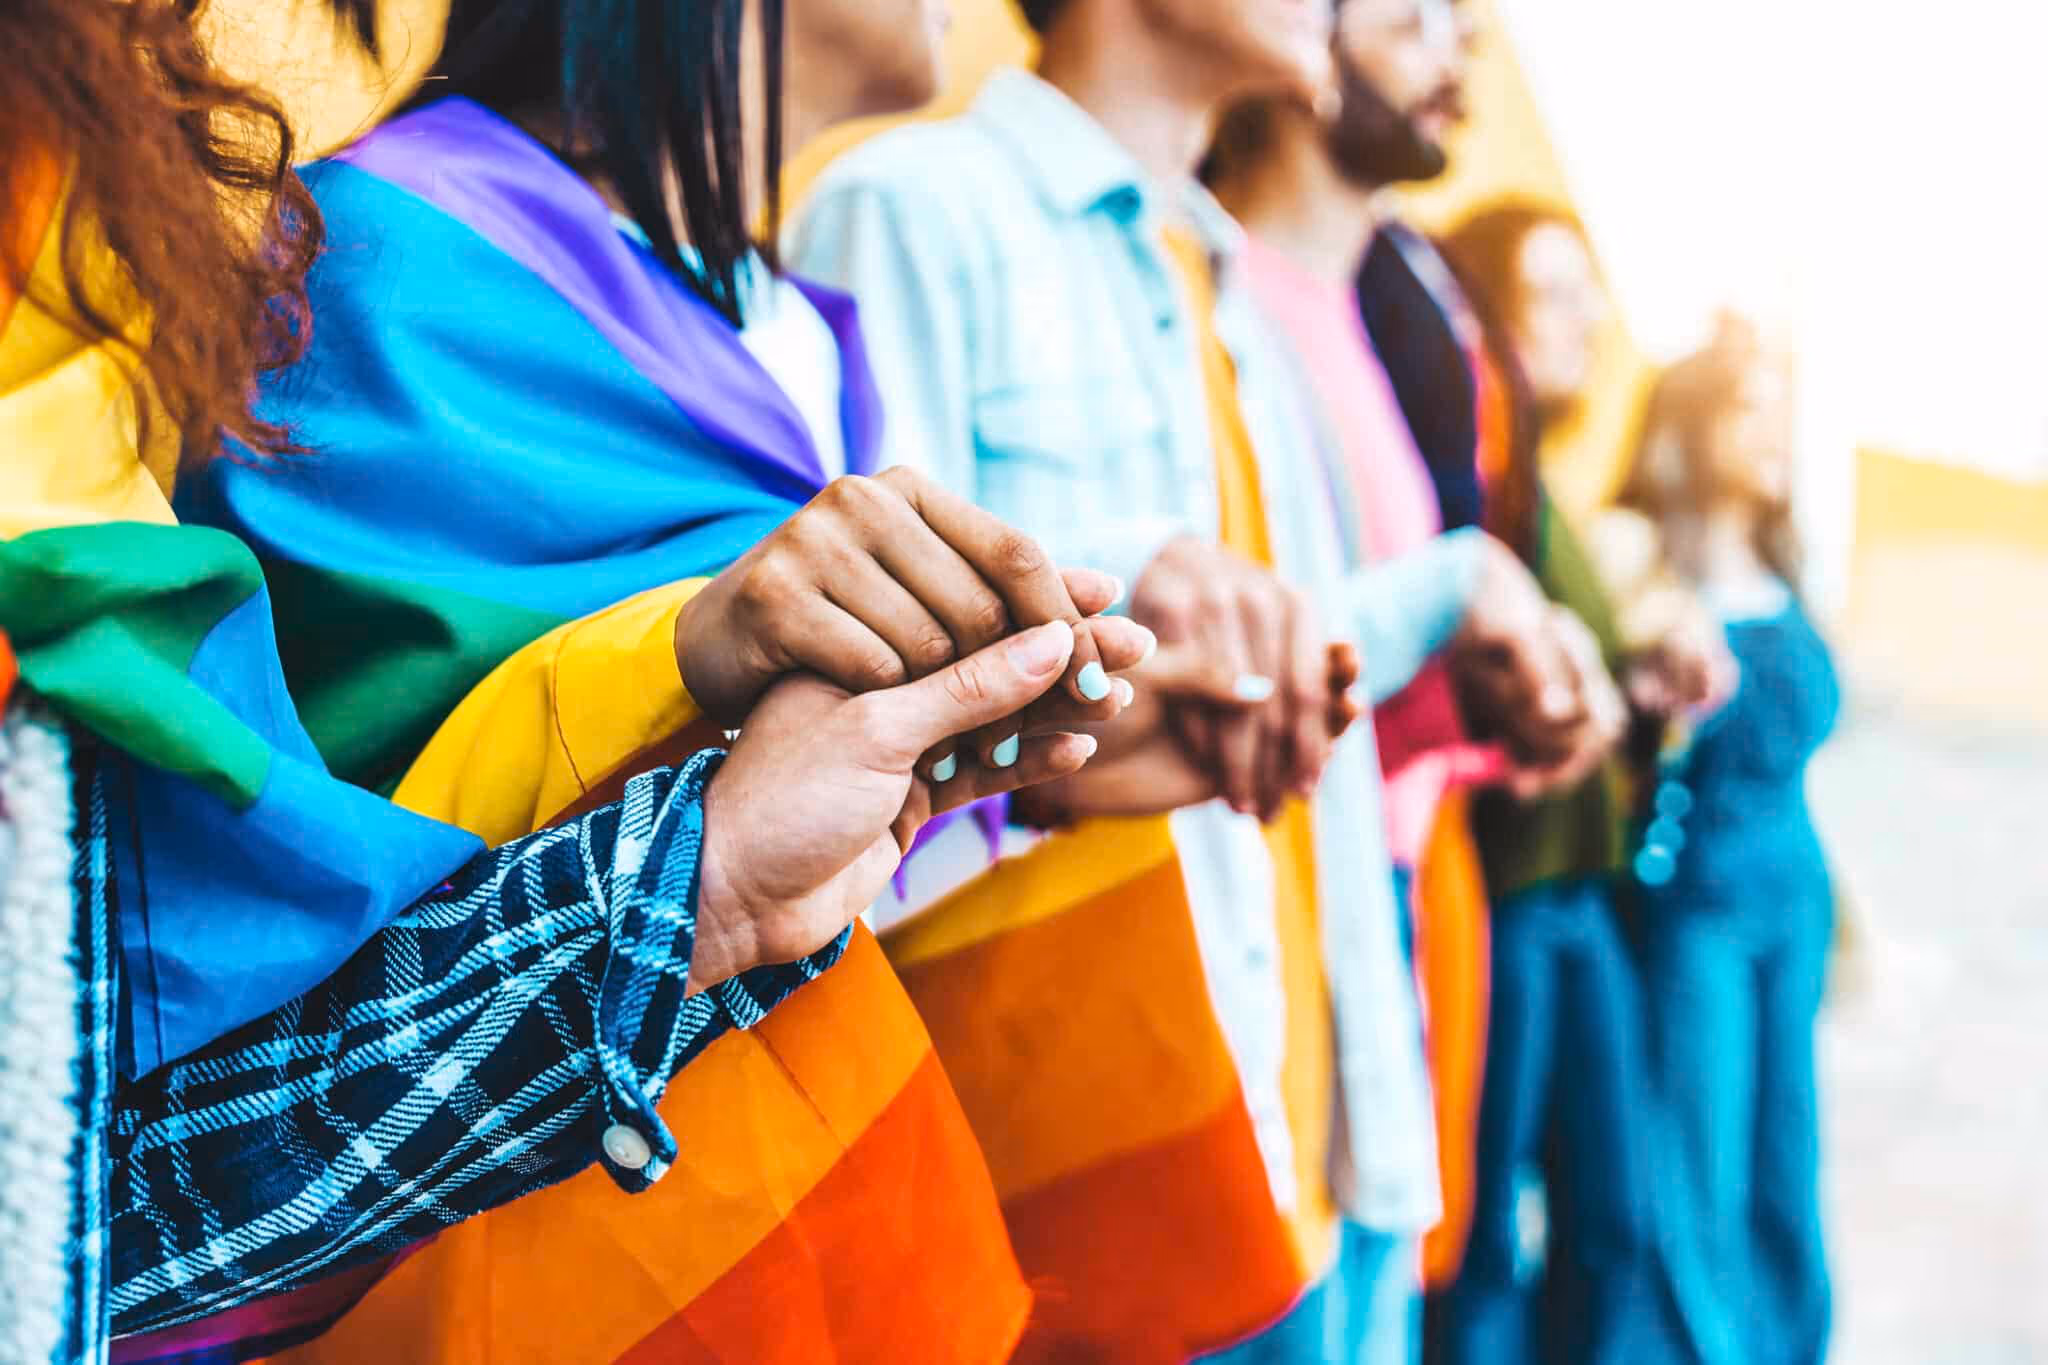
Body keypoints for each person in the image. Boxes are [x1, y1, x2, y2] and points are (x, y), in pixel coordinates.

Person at [0, 1, 1133, 1359]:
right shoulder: (369, 260)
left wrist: (1036, 749)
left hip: (756, 1238)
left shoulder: (799, 326)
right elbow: (264, 911)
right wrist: (684, 702)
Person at [788, 1, 1612, 1357]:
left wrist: (1468, 599)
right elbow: (858, 736)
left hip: (1304, 1127)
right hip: (1077, 1188)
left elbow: (1276, 656)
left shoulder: (1233, 295)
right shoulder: (912, 216)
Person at [1201, 1, 1637, 1354]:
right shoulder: (1219, 303)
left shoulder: (1394, 327)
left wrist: (1506, 713)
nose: (1463, 55)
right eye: (1413, 16)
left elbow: (1351, 681)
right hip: (1256, 924)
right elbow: (1223, 676)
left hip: (1383, 889)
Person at [1433, 199, 1739, 1365]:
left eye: (1586, 295)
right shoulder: (1477, 489)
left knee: (1611, 1226)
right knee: (1479, 1248)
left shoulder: (1542, 497)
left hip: (1578, 901)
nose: (1586, 324)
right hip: (1503, 904)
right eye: (1552, 294)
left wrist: (1643, 678)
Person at [1600, 321, 1838, 1365]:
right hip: (1695, 903)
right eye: (1745, 402)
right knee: (1694, 1161)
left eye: (1778, 402)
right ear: (1688, 423)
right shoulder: (1639, 565)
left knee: (1786, 1156)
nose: (1773, 425)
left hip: (1794, 900)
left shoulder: (1788, 572)